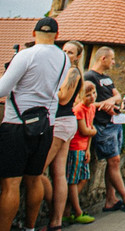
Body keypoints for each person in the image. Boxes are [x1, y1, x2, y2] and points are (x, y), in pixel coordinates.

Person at [0, 17, 70, 231]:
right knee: (35, 178)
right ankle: (30, 227)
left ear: (34, 34)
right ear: (57, 36)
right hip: (46, 125)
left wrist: (2, 75)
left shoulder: (26, 54)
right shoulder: (64, 59)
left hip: (17, 124)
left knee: (11, 184)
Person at [83, 46, 125, 212]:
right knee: (113, 161)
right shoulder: (88, 77)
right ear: (103, 59)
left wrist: (111, 101)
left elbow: (118, 96)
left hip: (113, 122)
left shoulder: (106, 78)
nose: (114, 62)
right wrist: (102, 104)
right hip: (101, 124)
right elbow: (83, 102)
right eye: (112, 59)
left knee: (113, 161)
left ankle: (110, 199)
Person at [39, 40, 86, 231]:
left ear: (78, 56)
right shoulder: (63, 71)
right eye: (64, 50)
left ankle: (54, 213)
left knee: (38, 171)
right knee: (59, 174)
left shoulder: (73, 72)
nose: (66, 54)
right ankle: (56, 221)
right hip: (64, 123)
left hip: (61, 122)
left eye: (71, 52)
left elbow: (64, 97)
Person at [63, 80, 97, 224]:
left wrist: (88, 149)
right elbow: (85, 130)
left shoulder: (92, 108)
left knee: (83, 178)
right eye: (88, 95)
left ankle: (67, 208)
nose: (92, 97)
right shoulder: (79, 109)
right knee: (73, 180)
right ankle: (77, 211)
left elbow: (89, 129)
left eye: (94, 93)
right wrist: (93, 132)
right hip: (75, 147)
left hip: (83, 148)